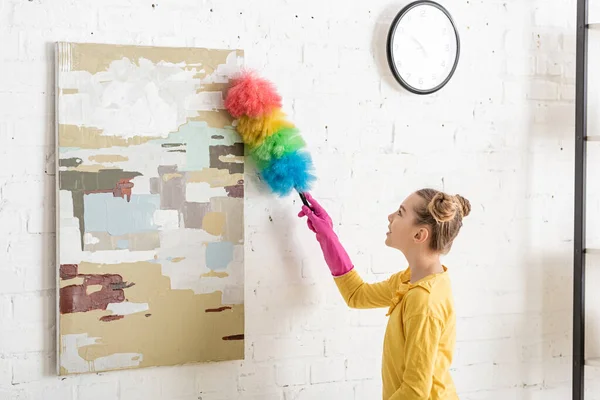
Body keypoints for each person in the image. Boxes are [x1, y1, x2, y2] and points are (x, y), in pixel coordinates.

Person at [298, 189, 471, 400]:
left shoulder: (424, 300)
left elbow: (415, 393)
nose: (390, 217)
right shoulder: (411, 280)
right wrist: (328, 236)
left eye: (400, 212)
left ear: (419, 235)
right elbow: (357, 295)